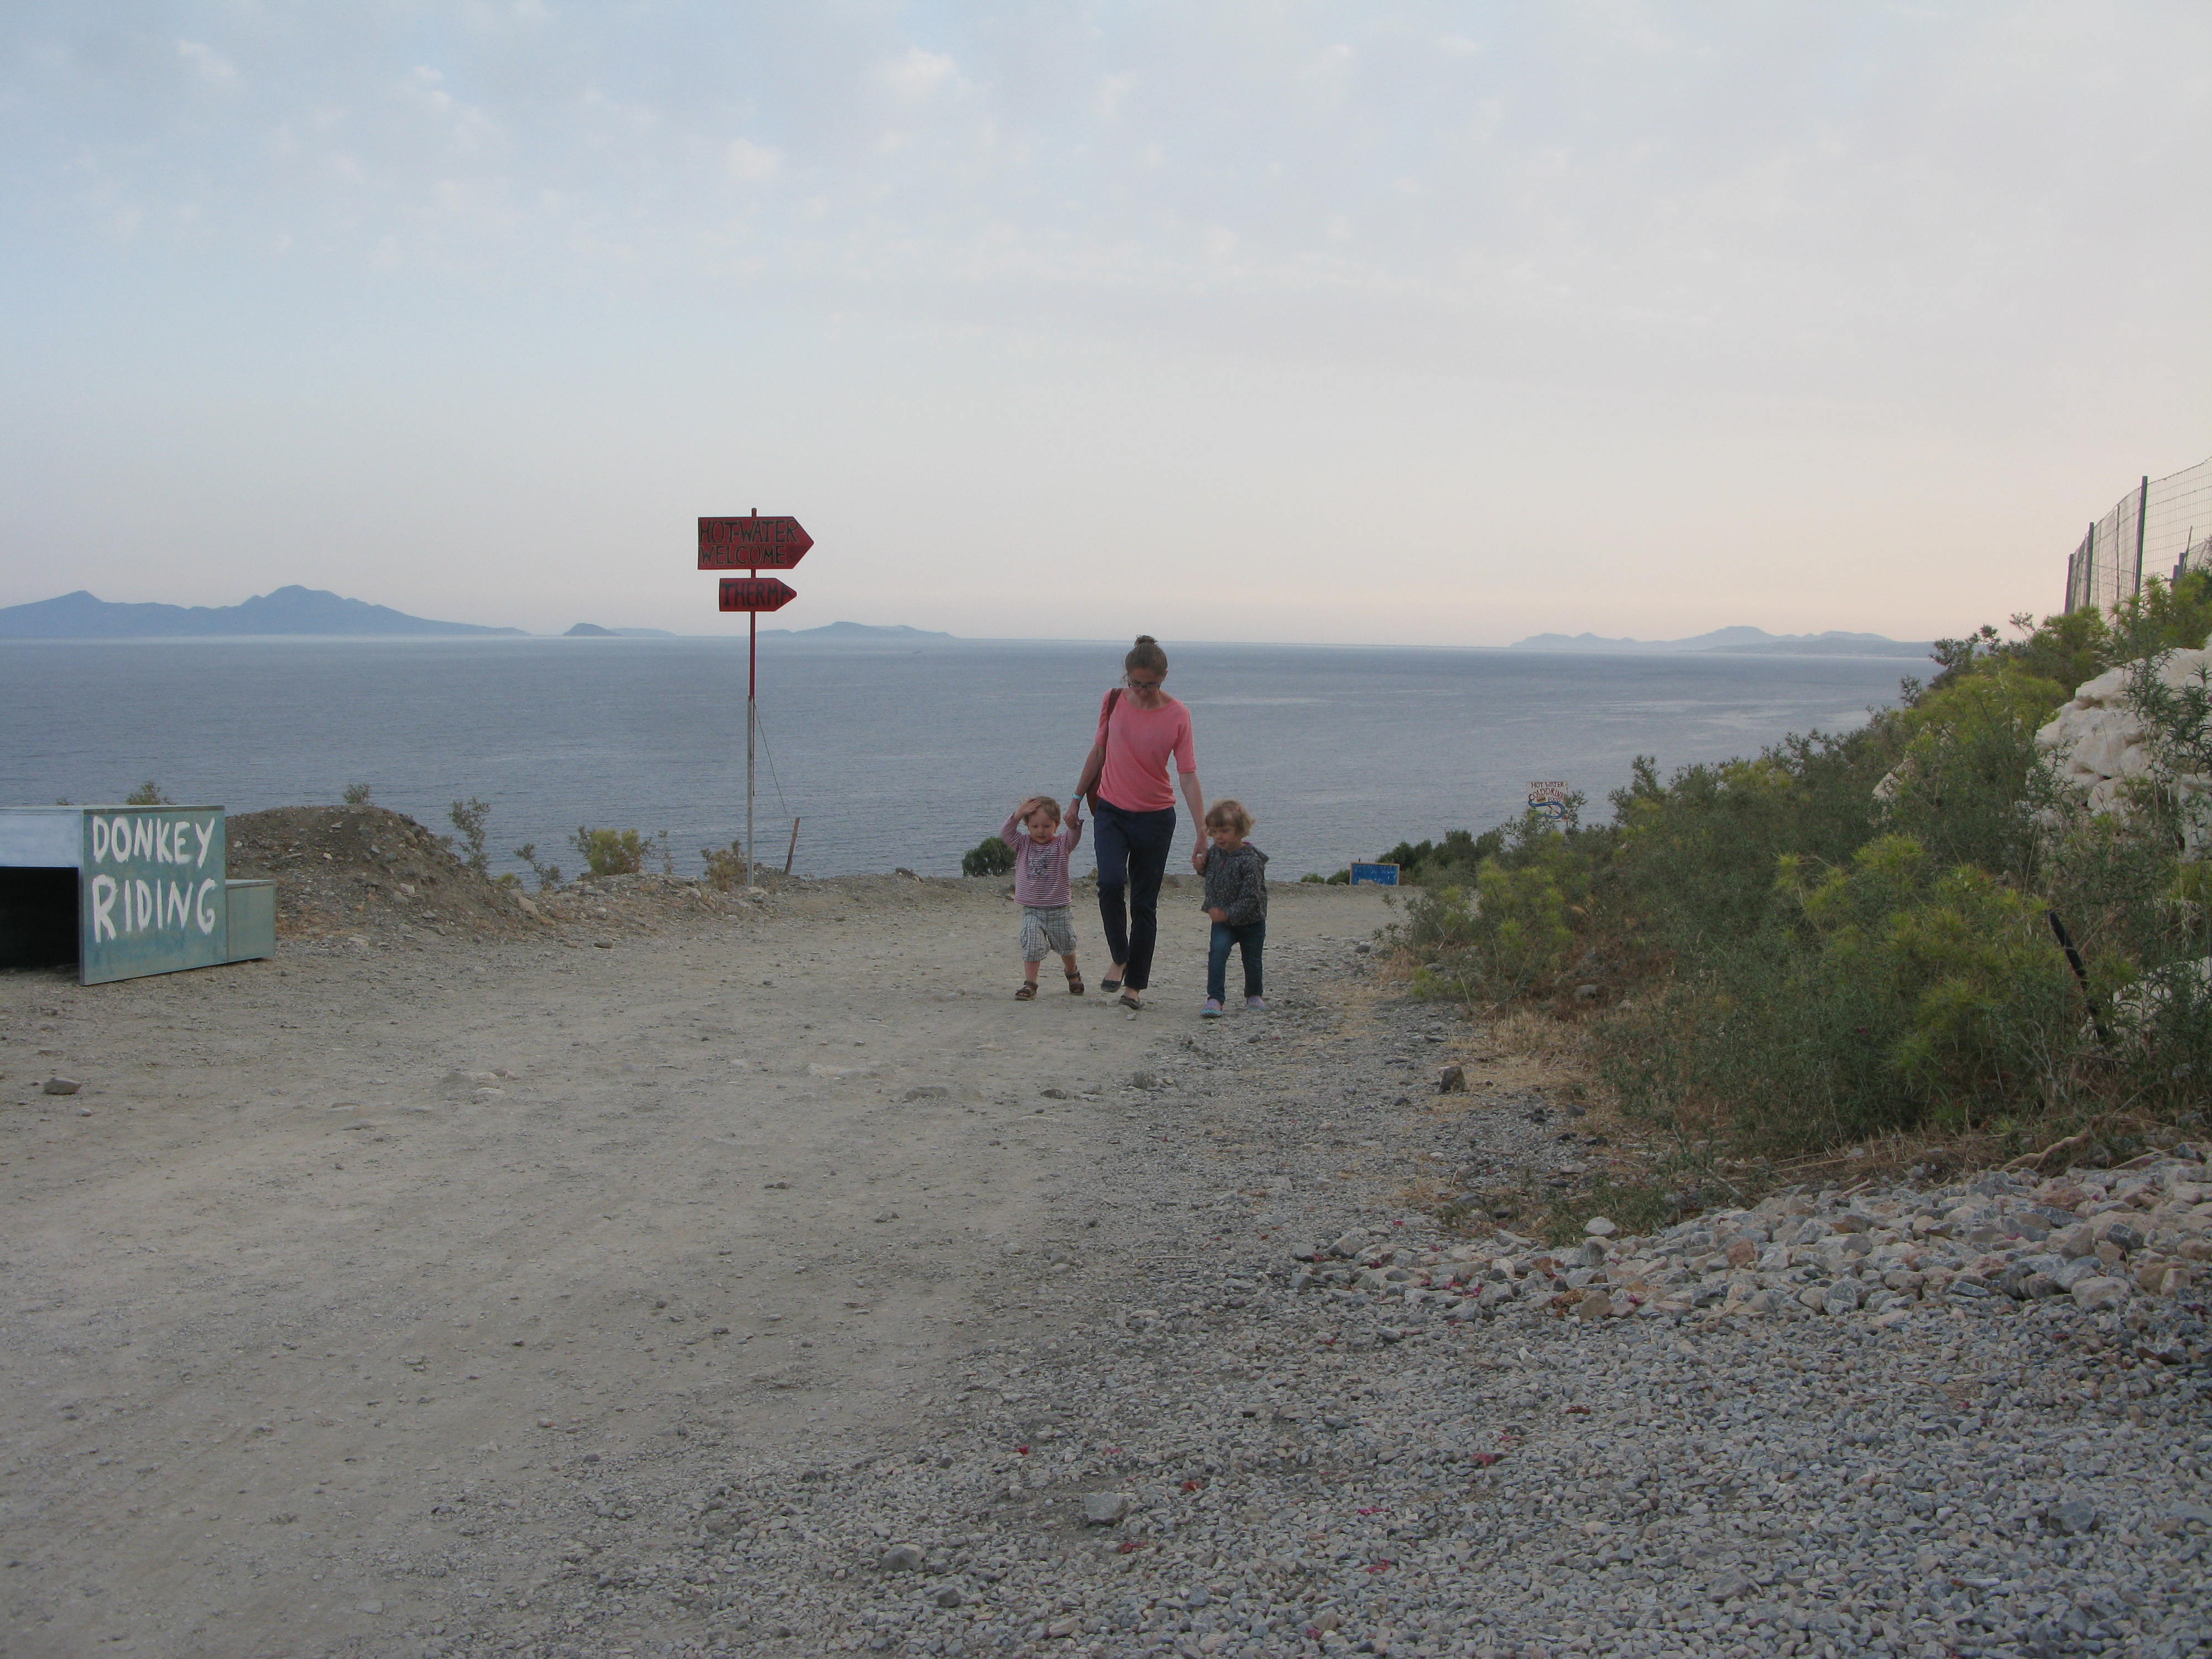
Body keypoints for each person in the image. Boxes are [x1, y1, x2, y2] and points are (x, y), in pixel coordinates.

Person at [1071, 635, 1205, 1010]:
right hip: (1111, 811)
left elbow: (1188, 774)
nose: (1143, 692)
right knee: (1111, 883)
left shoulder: (1179, 715)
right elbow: (1099, 751)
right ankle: (1120, 955)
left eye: (1151, 685)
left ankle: (1134, 989)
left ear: (1164, 677)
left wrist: (1202, 832)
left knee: (1144, 905)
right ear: (1126, 676)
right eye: (1137, 684)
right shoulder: (1113, 700)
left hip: (1156, 818)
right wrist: (1076, 799)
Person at [999, 795, 1084, 1001]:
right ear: (1027, 825)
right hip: (1032, 909)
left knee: (1066, 945)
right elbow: (1006, 832)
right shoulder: (1023, 844)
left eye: (1047, 826)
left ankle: (1072, 972)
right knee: (1031, 944)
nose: (1041, 831)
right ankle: (1030, 984)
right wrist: (1018, 815)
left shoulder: (1062, 845)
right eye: (1035, 826)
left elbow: (1074, 834)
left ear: (1056, 825)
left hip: (1059, 909)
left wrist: (1073, 823)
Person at [1194, 799, 1267, 1016]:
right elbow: (1213, 876)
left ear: (1240, 830)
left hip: (1251, 922)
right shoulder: (1216, 853)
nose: (1219, 837)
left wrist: (1227, 913)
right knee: (1217, 954)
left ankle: (1254, 994)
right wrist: (1201, 868)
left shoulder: (1250, 860)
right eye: (1214, 832)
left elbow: (1251, 897)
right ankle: (1215, 998)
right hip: (1223, 922)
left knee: (1252, 960)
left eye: (1225, 831)